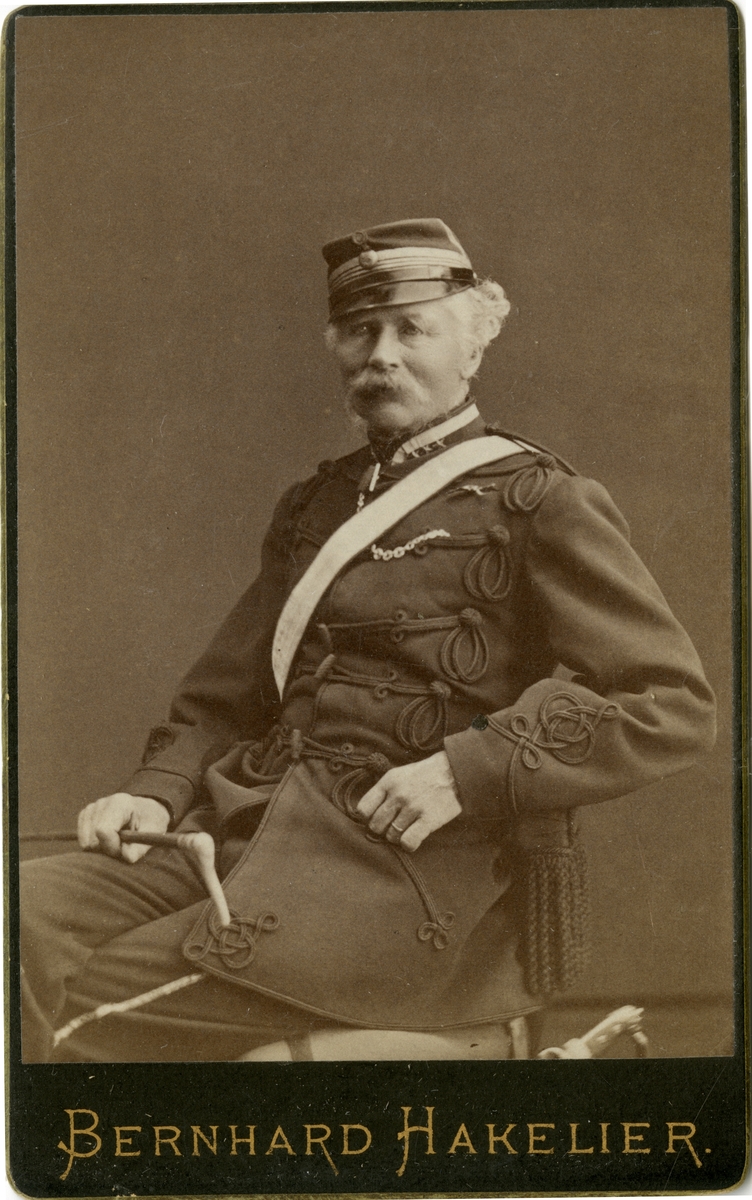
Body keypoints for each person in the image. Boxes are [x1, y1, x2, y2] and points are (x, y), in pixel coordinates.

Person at [21, 218, 716, 1063]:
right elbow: (225, 699)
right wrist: (158, 793)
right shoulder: (314, 506)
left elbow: (670, 703)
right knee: (17, 922)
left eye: (411, 329)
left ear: (472, 344)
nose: (380, 355)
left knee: (81, 1019)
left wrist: (467, 770)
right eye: (359, 331)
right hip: (243, 826)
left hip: (395, 880)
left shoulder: (540, 500)